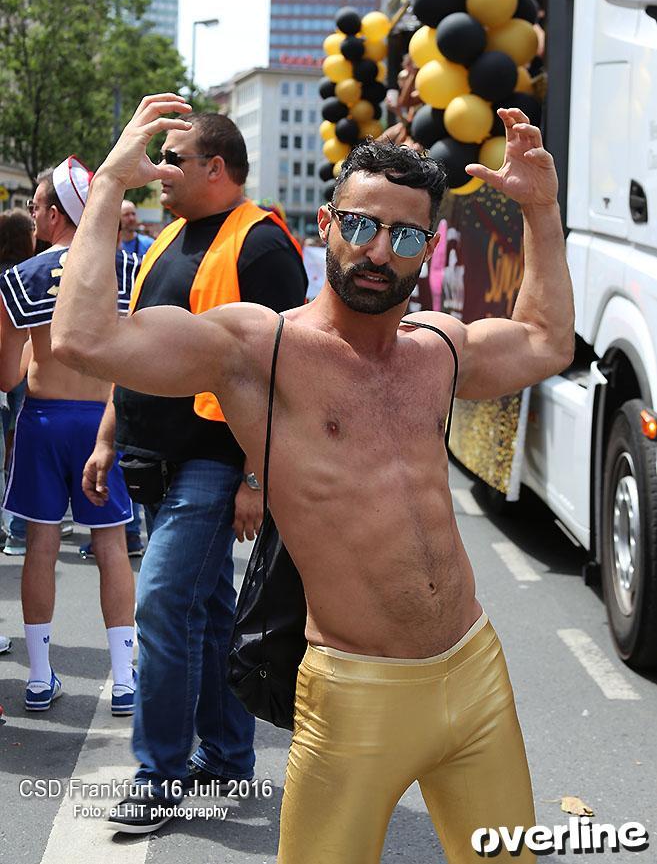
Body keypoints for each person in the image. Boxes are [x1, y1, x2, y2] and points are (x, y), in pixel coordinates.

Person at [53, 94, 575, 861]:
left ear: (425, 249)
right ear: (326, 226)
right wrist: (107, 190)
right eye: (359, 225)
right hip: (354, 692)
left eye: (401, 235)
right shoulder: (259, 349)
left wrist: (541, 211)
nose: (376, 250)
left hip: (473, 672)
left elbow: (543, 339)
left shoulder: (437, 347)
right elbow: (83, 338)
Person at [74, 110, 307, 832]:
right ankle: (230, 757)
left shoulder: (263, 244)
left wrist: (255, 479)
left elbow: (285, 375)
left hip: (214, 460)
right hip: (152, 455)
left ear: (217, 165)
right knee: (204, 613)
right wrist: (108, 438)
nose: (161, 170)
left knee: (162, 602)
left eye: (173, 158)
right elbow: (133, 346)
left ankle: (160, 775)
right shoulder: (168, 239)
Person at [0, 158, 139, 715]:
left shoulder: (19, 276)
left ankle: (38, 676)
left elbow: (7, 375)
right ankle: (126, 679)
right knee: (111, 546)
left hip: (43, 420)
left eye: (36, 207)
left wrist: (37, 349)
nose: (32, 215)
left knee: (40, 543)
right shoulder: (127, 267)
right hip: (104, 420)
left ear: (56, 215)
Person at [0, 208, 36, 555]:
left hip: (10, 371)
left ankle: (14, 528)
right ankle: (17, 525)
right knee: (19, 442)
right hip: (22, 367)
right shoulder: (26, 275)